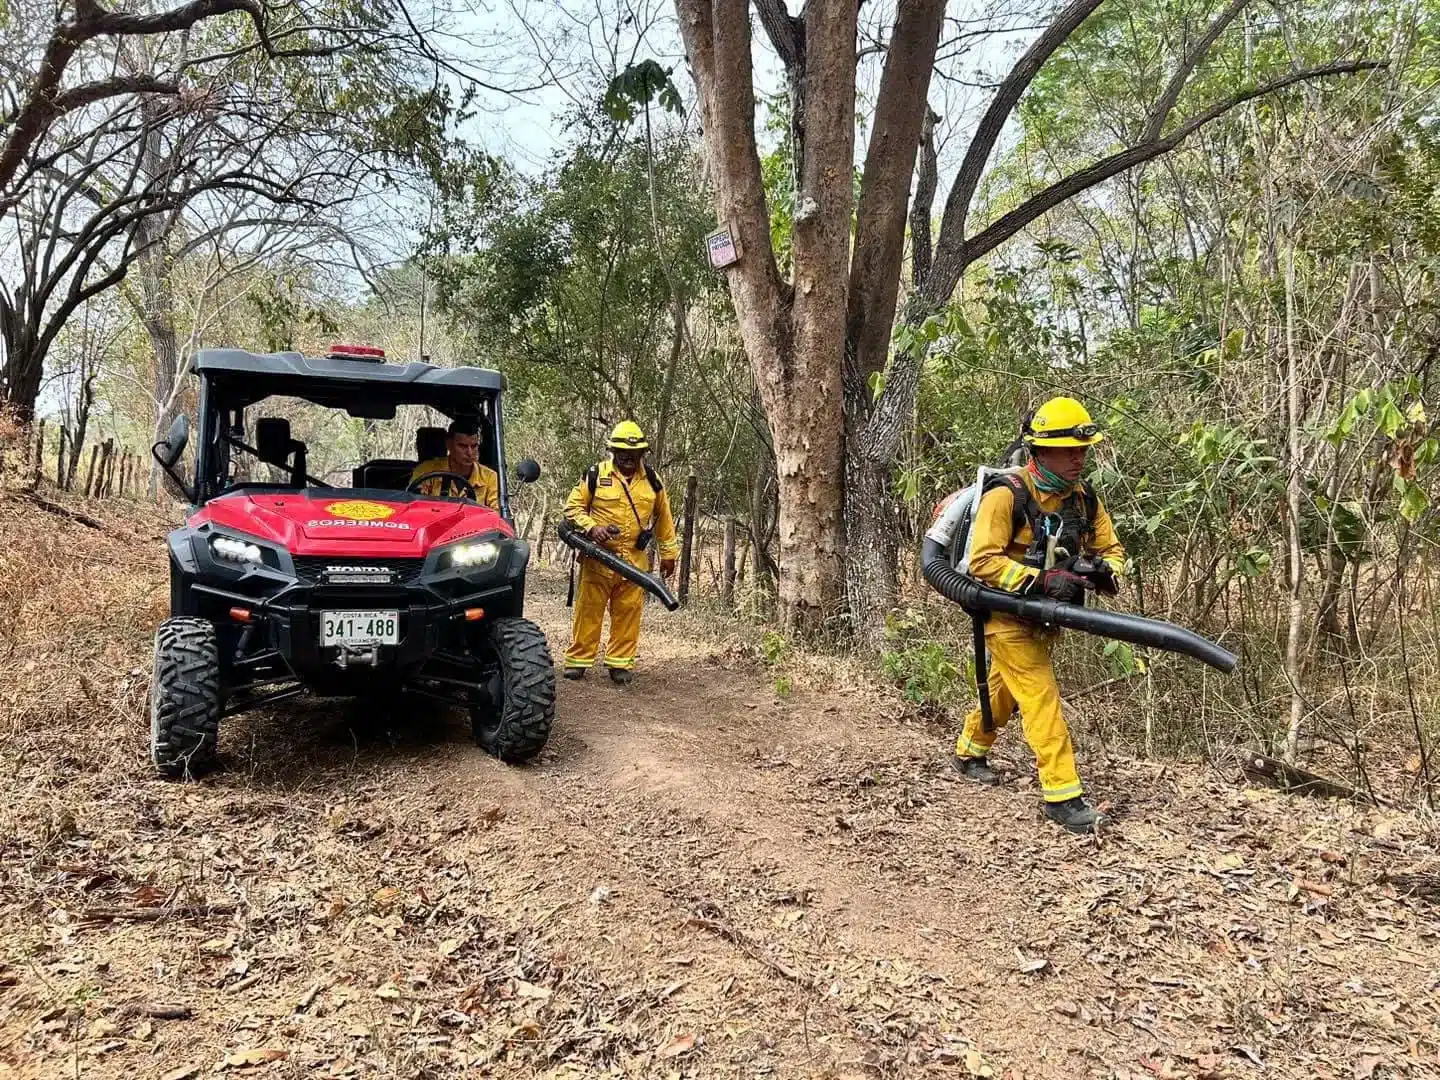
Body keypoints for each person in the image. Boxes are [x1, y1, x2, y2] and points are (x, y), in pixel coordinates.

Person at [952, 396, 1127, 833]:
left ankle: (970, 748)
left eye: (1083, 450)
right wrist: (1039, 580)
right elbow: (983, 561)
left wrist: (1105, 571)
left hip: (1046, 616)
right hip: (1005, 613)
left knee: (1005, 691)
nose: (1078, 458)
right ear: (1040, 449)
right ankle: (1063, 796)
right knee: (1041, 698)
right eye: (1069, 450)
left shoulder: (1084, 499)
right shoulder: (1006, 495)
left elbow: (1112, 549)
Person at [561, 421, 679, 684]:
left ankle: (619, 664)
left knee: (628, 612)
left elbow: (664, 519)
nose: (627, 457)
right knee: (588, 611)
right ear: (613, 450)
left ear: (642, 454)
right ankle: (578, 660)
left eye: (633, 453)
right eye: (621, 451)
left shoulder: (652, 481)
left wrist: (669, 553)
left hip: (634, 563)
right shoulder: (595, 475)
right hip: (598, 560)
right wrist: (592, 528)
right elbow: (572, 509)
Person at [410, 417, 499, 509]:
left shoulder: (490, 478)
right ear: (449, 445)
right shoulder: (426, 471)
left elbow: (497, 516)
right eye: (462, 446)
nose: (469, 453)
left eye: (474, 446)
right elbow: (414, 506)